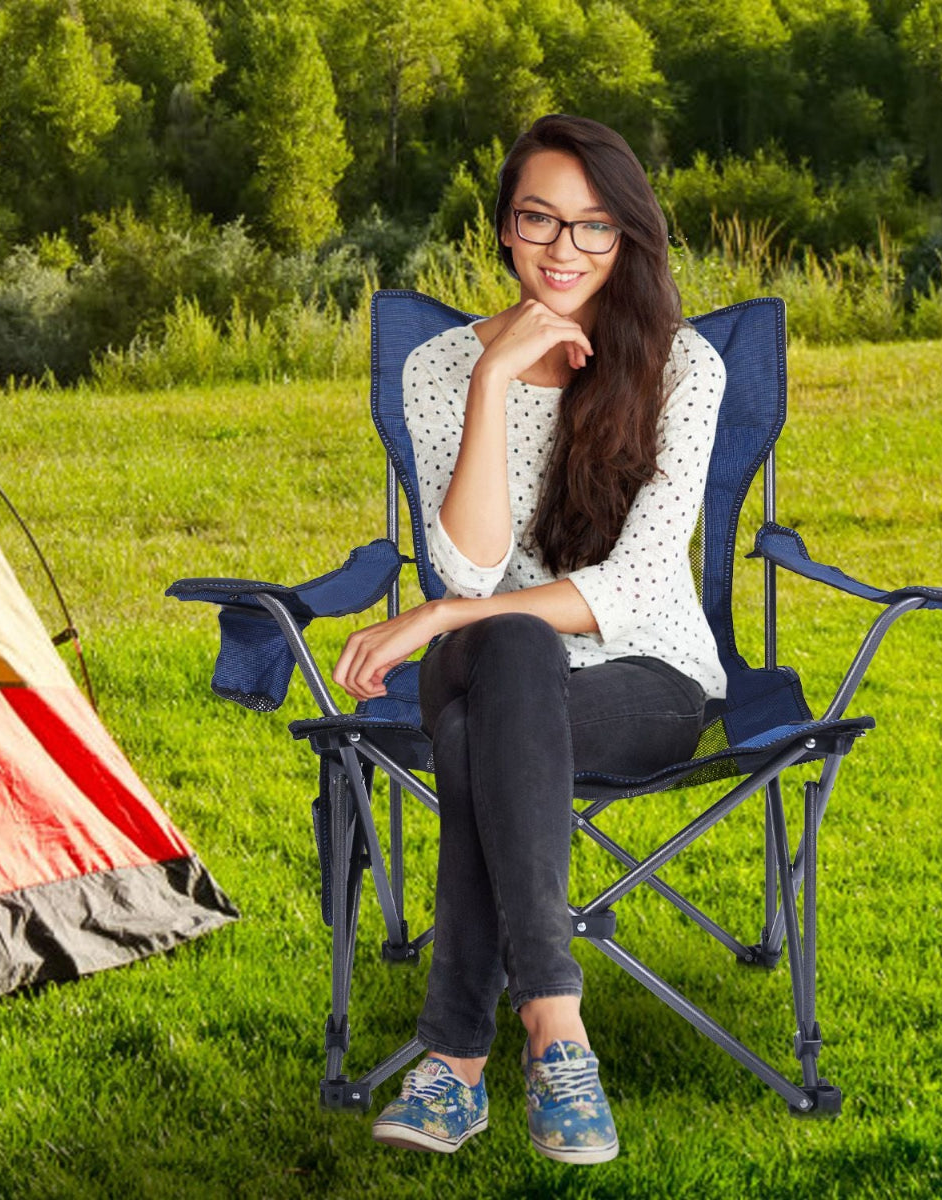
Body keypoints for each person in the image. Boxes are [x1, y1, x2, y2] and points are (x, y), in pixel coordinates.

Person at [332, 114, 727, 1164]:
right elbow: (468, 566)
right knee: (510, 652)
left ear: (628, 240)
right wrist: (491, 381)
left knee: (485, 714)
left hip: (641, 679)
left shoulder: (682, 368)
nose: (565, 249)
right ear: (504, 230)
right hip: (496, 667)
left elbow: (638, 583)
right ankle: (556, 1026)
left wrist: (444, 617)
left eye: (595, 227)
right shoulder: (438, 368)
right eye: (540, 219)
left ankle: (455, 1064)